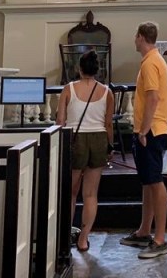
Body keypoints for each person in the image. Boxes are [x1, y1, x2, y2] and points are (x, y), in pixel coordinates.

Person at [119, 21, 167, 259]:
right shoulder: (154, 60)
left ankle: (159, 239)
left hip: (151, 131)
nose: (134, 40)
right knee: (147, 182)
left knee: (155, 182)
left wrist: (143, 130)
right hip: (150, 129)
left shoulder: (151, 63)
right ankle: (143, 232)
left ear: (141, 37)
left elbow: (152, 98)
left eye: (135, 36)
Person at [56, 49, 114, 252]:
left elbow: (60, 121)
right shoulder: (107, 92)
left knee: (70, 193)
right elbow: (108, 124)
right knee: (90, 194)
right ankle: (83, 239)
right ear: (97, 70)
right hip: (98, 139)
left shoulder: (69, 89)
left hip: (75, 139)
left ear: (79, 69)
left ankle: (64, 237)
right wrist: (110, 146)